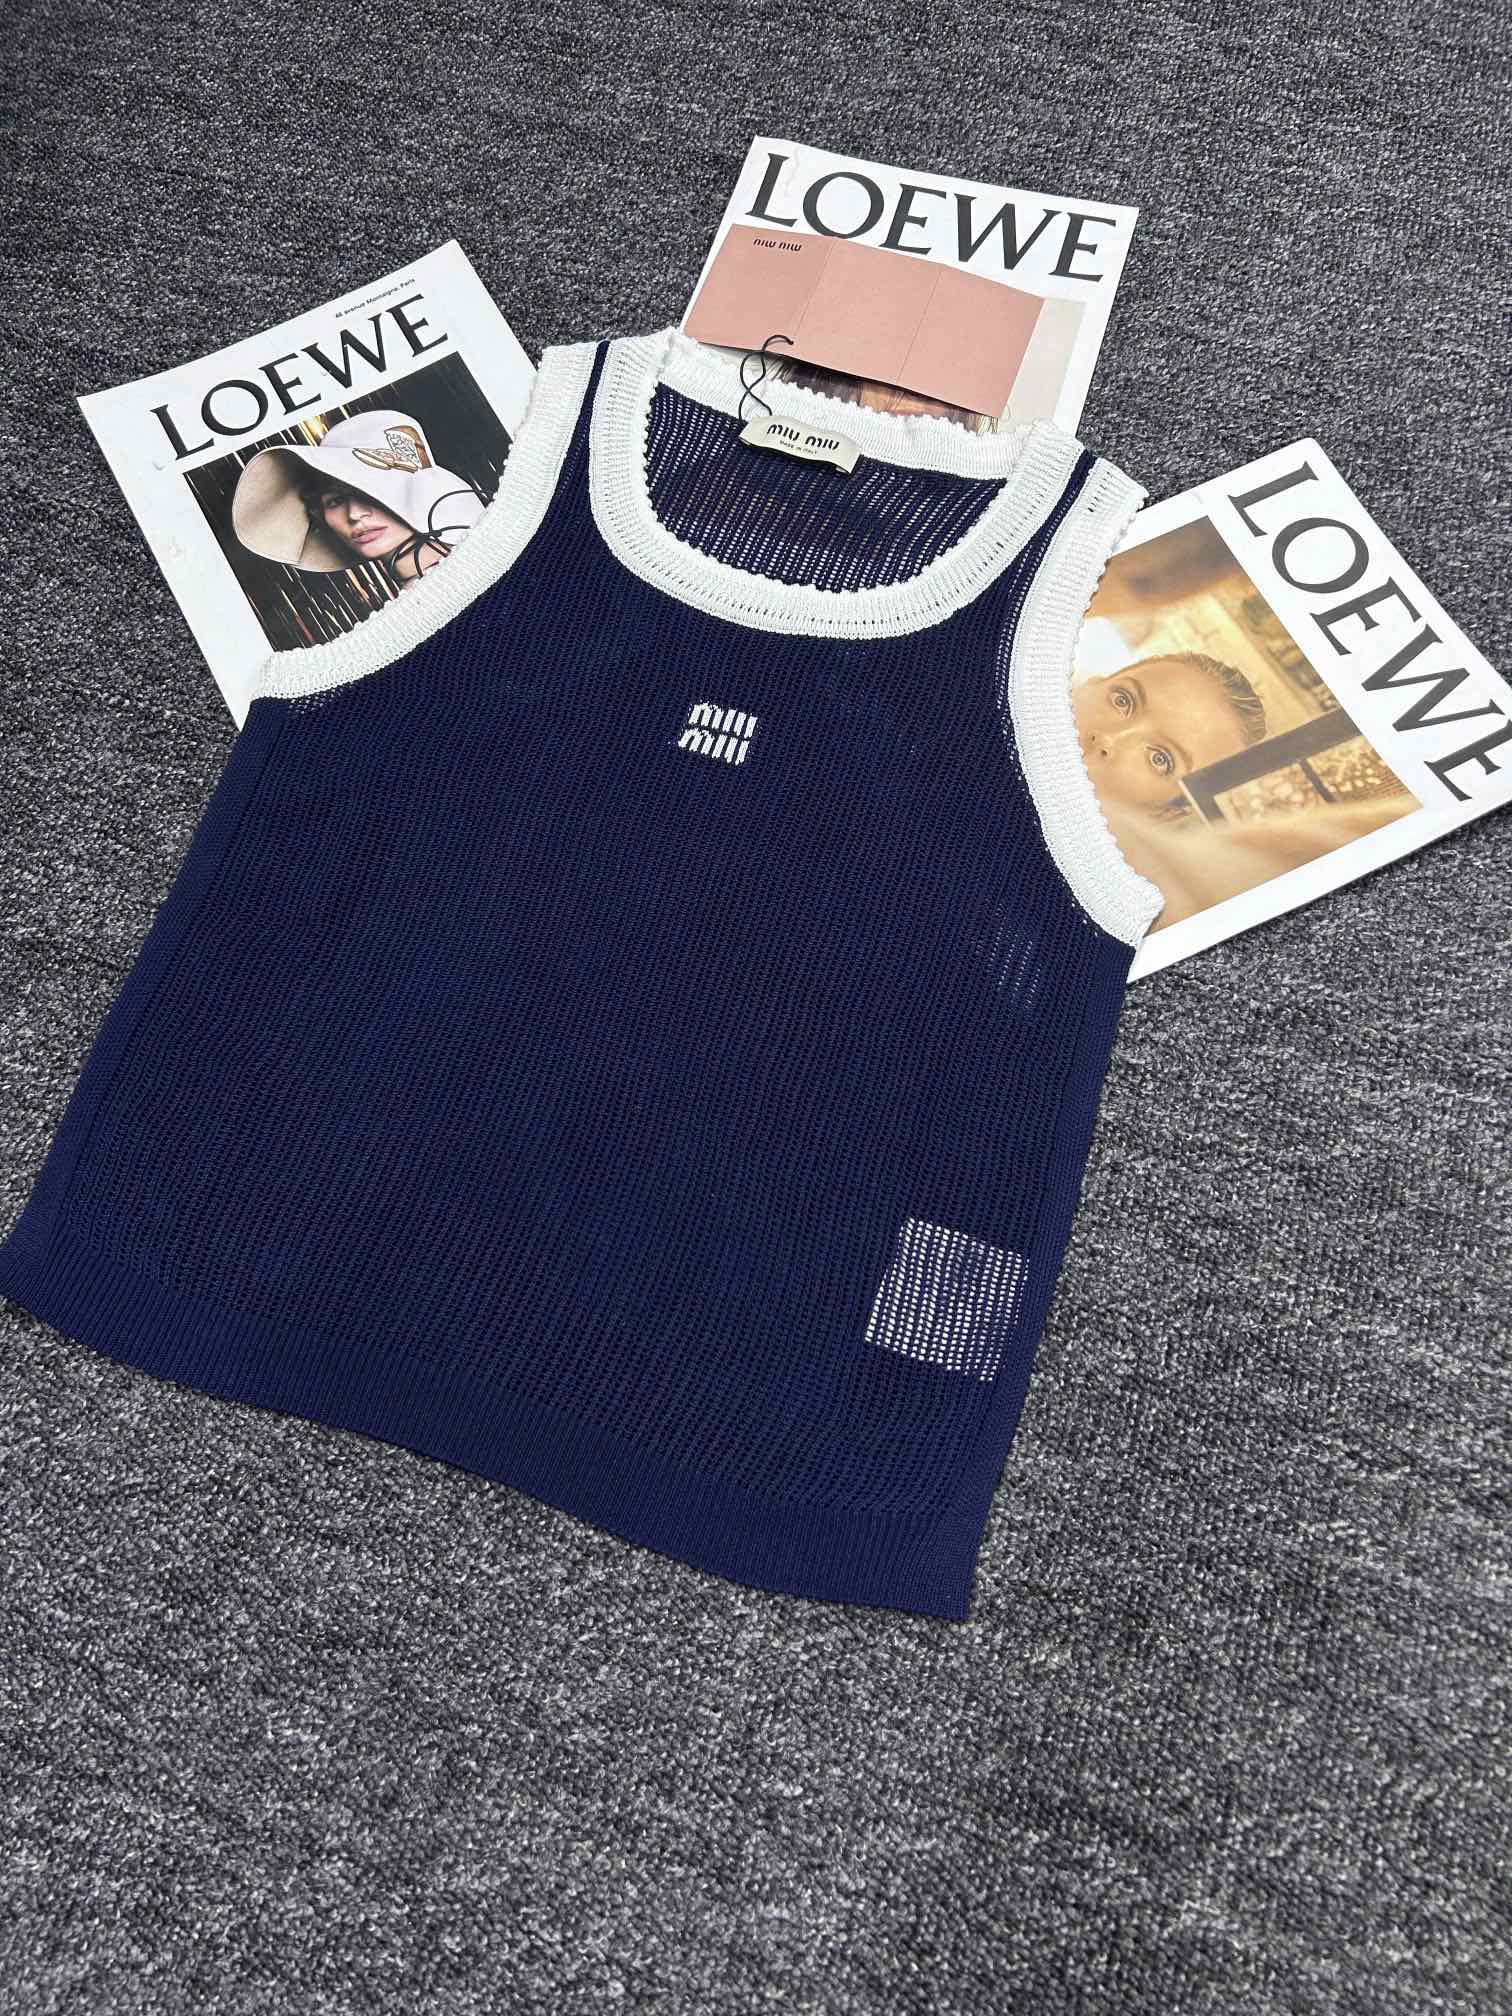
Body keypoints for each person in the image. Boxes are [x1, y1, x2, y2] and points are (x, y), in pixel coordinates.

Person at [231, 407, 487, 592]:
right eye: (335, 501)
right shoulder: (402, 618)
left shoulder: (483, 565)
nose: (354, 514)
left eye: (370, 493)